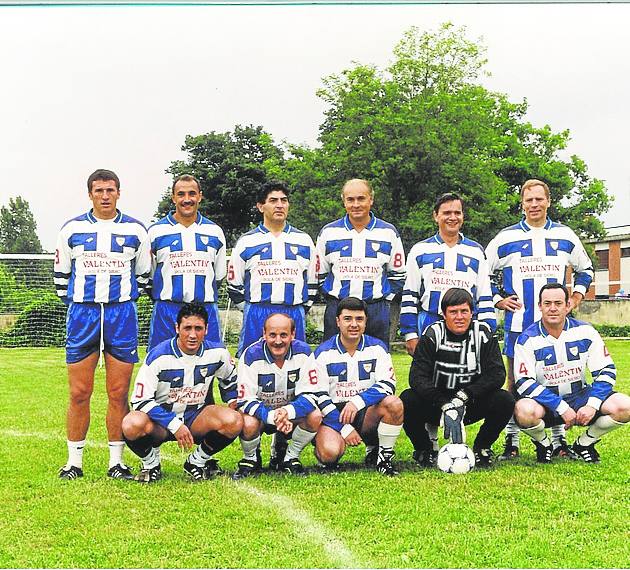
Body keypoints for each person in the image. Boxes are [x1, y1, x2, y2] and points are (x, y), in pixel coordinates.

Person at [54, 169, 151, 480]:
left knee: (118, 392)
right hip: (83, 315)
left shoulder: (136, 230)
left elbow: (144, 274)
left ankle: (116, 462)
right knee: (80, 392)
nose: (105, 196)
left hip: (121, 315)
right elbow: (61, 279)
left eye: (110, 190)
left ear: (119, 193)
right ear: (90, 194)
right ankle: (74, 463)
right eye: (99, 191)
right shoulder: (72, 230)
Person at [486, 179, 594, 459]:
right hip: (519, 325)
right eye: (528, 200)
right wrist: (498, 299)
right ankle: (512, 441)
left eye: (539, 199)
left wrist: (576, 297)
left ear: (548, 201)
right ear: (521, 203)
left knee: (556, 379)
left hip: (557, 325)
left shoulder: (565, 235)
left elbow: (586, 270)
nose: (534, 205)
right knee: (514, 384)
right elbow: (481, 273)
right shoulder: (506, 237)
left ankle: (558, 441)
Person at [122, 302, 242, 482]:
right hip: (160, 421)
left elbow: (230, 380)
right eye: (187, 328)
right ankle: (151, 464)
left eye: (198, 328)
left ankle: (197, 461)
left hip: (196, 417)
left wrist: (233, 401)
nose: (192, 335)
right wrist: (174, 424)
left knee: (234, 420)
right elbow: (140, 401)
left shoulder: (218, 353)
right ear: (177, 328)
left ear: (206, 329)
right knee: (131, 424)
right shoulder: (158, 356)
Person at [513, 283, 629, 463]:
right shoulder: (527, 339)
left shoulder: (585, 331)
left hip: (579, 396)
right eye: (547, 303)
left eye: (558, 303)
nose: (552, 308)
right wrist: (561, 407)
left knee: (625, 406)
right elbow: (524, 382)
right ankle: (545, 444)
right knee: (523, 411)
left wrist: (592, 405)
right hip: (546, 403)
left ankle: (584, 444)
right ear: (539, 306)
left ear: (568, 305)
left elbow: (606, 370)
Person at [400, 288, 514, 467]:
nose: (459, 317)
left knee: (505, 400)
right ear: (444, 314)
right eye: (453, 312)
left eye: (464, 311)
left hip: (470, 402)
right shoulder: (432, 334)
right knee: (407, 399)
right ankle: (424, 449)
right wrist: (444, 403)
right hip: (438, 404)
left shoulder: (483, 333)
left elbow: (497, 374)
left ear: (472, 313)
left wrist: (464, 396)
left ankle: (482, 447)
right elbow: (417, 377)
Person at [312, 296, 404, 475]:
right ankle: (329, 440)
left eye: (359, 319)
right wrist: (344, 428)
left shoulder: (378, 348)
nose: (353, 324)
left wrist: (357, 401)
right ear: (337, 321)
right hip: (333, 413)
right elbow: (319, 396)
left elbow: (387, 384)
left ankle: (383, 457)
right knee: (329, 454)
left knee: (394, 403)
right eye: (348, 319)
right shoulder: (323, 353)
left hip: (365, 410)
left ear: (366, 322)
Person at [228, 181, 317, 356]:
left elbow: (313, 281)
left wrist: (300, 308)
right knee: (252, 362)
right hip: (257, 311)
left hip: (293, 311)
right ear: (261, 206)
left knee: (296, 363)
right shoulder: (247, 241)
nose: (279, 205)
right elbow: (234, 283)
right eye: (273, 200)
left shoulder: (304, 240)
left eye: (284, 200)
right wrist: (250, 310)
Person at [400, 192, 496, 355]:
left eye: (457, 213)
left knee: (466, 377)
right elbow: (410, 294)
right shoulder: (420, 250)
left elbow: (484, 295)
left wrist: (487, 330)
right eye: (446, 213)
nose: (453, 217)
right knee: (430, 377)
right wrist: (410, 334)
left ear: (463, 216)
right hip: (430, 323)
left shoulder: (476, 251)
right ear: (436, 216)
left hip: (466, 326)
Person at [315, 179, 405, 347]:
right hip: (338, 308)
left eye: (361, 198)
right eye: (350, 199)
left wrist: (383, 299)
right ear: (344, 201)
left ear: (371, 199)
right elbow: (319, 274)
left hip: (375, 310)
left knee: (377, 363)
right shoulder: (328, 232)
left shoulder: (388, 232)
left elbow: (398, 275)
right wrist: (334, 299)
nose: (356, 204)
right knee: (332, 361)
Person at [233, 313, 323, 479]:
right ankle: (251, 458)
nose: (278, 341)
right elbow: (245, 400)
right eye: (272, 335)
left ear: (293, 334)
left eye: (284, 334)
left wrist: (287, 412)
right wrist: (272, 416)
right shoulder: (251, 355)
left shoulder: (304, 352)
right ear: (264, 334)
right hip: (261, 414)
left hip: (289, 414)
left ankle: (290, 457)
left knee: (315, 415)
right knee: (247, 421)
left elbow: (311, 395)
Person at [147, 174, 226, 350]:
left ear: (200, 196)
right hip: (167, 310)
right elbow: (149, 275)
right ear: (173, 197)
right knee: (162, 361)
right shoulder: (155, 232)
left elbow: (219, 275)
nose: (187, 199)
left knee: (208, 363)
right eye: (181, 194)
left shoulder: (215, 232)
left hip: (205, 310)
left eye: (192, 193)